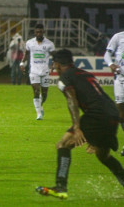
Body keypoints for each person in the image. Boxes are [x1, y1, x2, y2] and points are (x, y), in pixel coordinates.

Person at [36, 49, 124, 199]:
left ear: (57, 64)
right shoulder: (85, 73)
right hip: (112, 115)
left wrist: (77, 127)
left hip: (96, 115)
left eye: (53, 63)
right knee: (103, 155)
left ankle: (60, 186)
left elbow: (72, 99)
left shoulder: (65, 78)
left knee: (63, 144)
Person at [20, 24, 55, 120]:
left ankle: (40, 105)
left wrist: (53, 64)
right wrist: (22, 63)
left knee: (44, 95)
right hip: (34, 71)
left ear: (43, 32)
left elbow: (54, 56)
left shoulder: (49, 44)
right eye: (37, 32)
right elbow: (26, 54)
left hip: (45, 71)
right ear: (34, 32)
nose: (39, 33)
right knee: (36, 91)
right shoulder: (29, 43)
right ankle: (39, 114)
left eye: (40, 32)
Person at [104, 31, 124, 156]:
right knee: (120, 112)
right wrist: (111, 64)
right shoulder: (118, 37)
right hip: (120, 79)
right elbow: (107, 54)